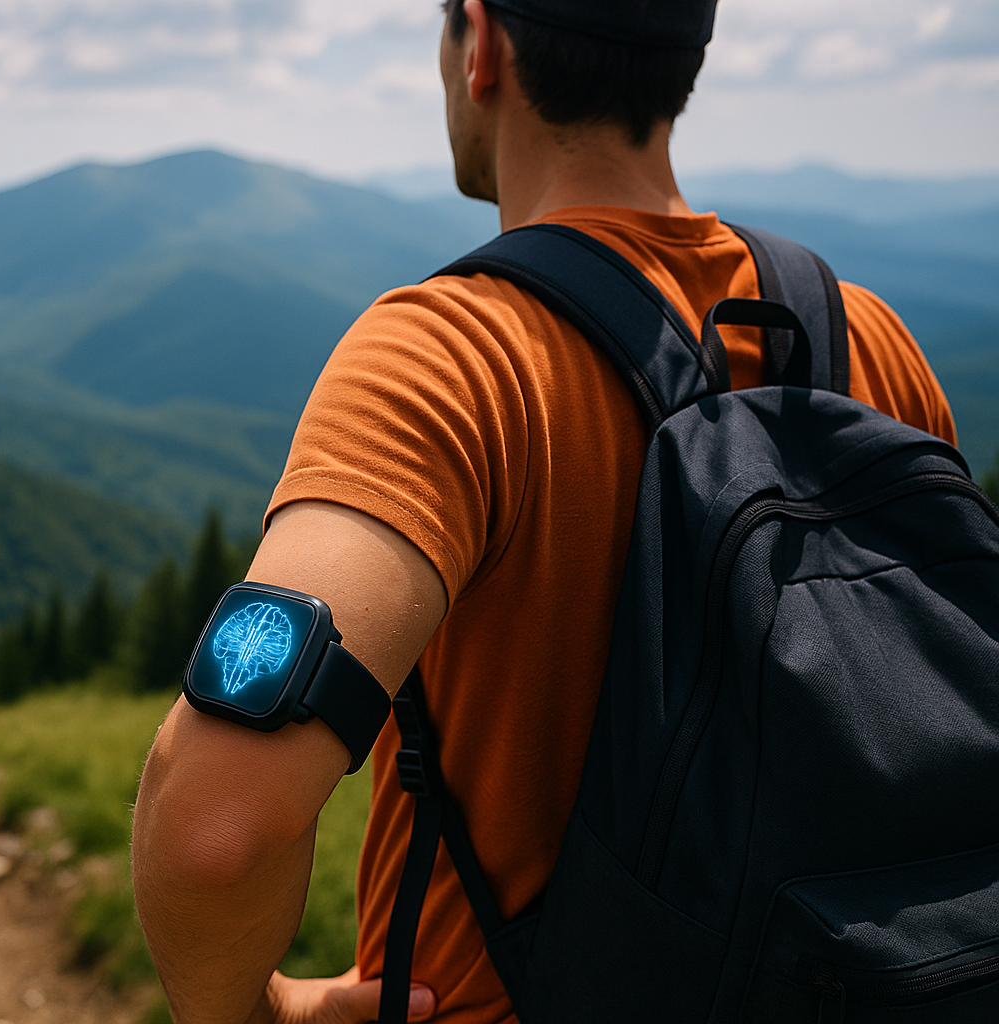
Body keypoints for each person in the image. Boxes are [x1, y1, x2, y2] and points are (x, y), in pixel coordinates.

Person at [130, 1, 958, 1022]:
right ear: (685, 59)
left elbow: (216, 826)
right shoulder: (866, 342)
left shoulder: (453, 359)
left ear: (482, 43)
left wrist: (259, 1013)